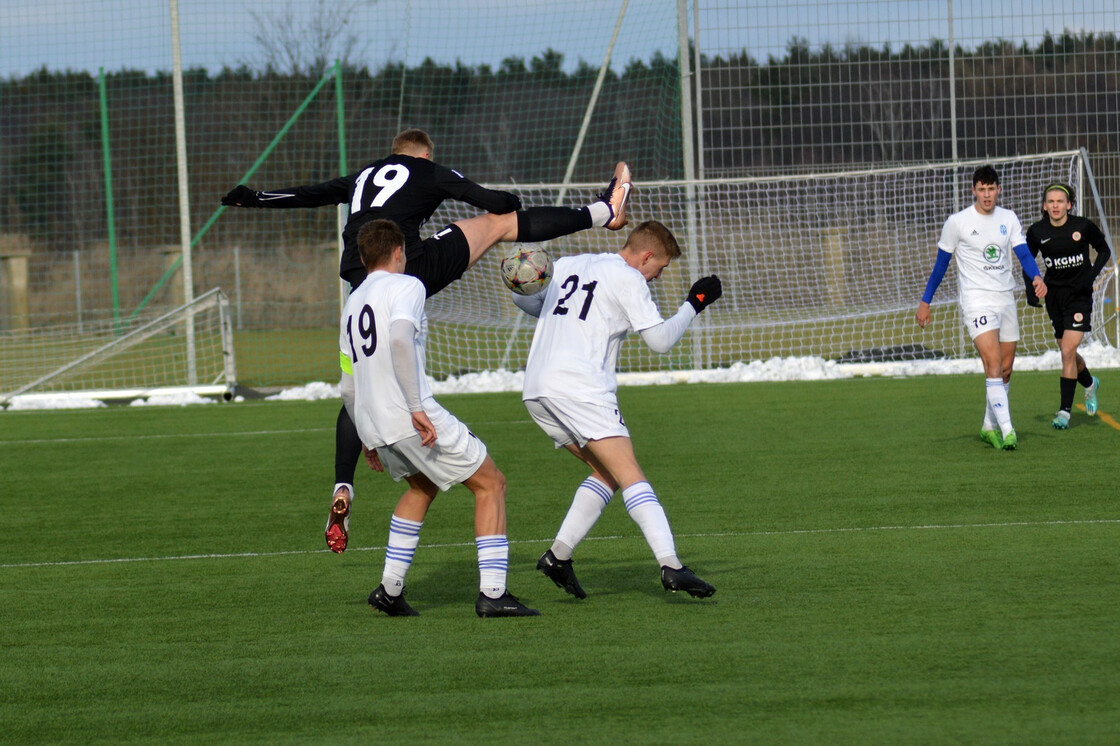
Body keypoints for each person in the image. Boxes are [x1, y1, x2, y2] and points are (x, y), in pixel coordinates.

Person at [221, 129, 632, 553]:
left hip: (361, 288)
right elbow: (492, 202)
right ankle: (604, 212)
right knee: (495, 225)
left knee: (358, 380)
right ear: (424, 152)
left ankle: (344, 485)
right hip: (405, 270)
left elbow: (309, 193)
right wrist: (509, 202)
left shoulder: (363, 175)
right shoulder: (427, 170)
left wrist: (253, 197)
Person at [509, 219, 722, 599]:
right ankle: (672, 566)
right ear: (646, 256)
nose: (659, 276)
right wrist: (694, 303)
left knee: (605, 473)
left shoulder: (572, 263)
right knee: (630, 474)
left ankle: (558, 556)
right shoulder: (628, 277)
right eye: (661, 267)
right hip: (580, 388)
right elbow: (658, 341)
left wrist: (518, 283)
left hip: (538, 388)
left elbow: (528, 301)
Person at [340, 219, 539, 617]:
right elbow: (399, 338)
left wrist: (365, 433)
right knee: (491, 484)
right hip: (409, 414)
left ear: (363, 258)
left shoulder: (352, 301)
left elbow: (347, 382)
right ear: (400, 252)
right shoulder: (408, 285)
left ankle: (389, 590)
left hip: (373, 421)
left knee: (421, 487)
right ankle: (494, 595)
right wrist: (416, 408)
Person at [915, 164, 1047, 451]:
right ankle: (1009, 430)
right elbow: (941, 265)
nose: (987, 195)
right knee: (994, 364)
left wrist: (1036, 275)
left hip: (1005, 298)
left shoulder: (1008, 217)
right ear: (973, 190)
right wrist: (926, 301)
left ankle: (988, 426)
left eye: (991, 189)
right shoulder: (957, 222)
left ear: (999, 189)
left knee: (1007, 368)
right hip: (976, 300)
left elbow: (1022, 253)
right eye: (981, 190)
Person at [1022, 182, 1111, 429]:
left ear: (1069, 204)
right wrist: (1031, 290)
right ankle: (1091, 384)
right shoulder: (1036, 232)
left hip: (1079, 295)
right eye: (1051, 201)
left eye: (1060, 201)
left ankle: (1064, 412)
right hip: (1054, 297)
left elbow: (1104, 250)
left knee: (1067, 352)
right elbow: (1027, 262)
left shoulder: (1082, 226)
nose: (1055, 205)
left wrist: (1090, 276)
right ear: (1044, 206)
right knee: (1067, 351)